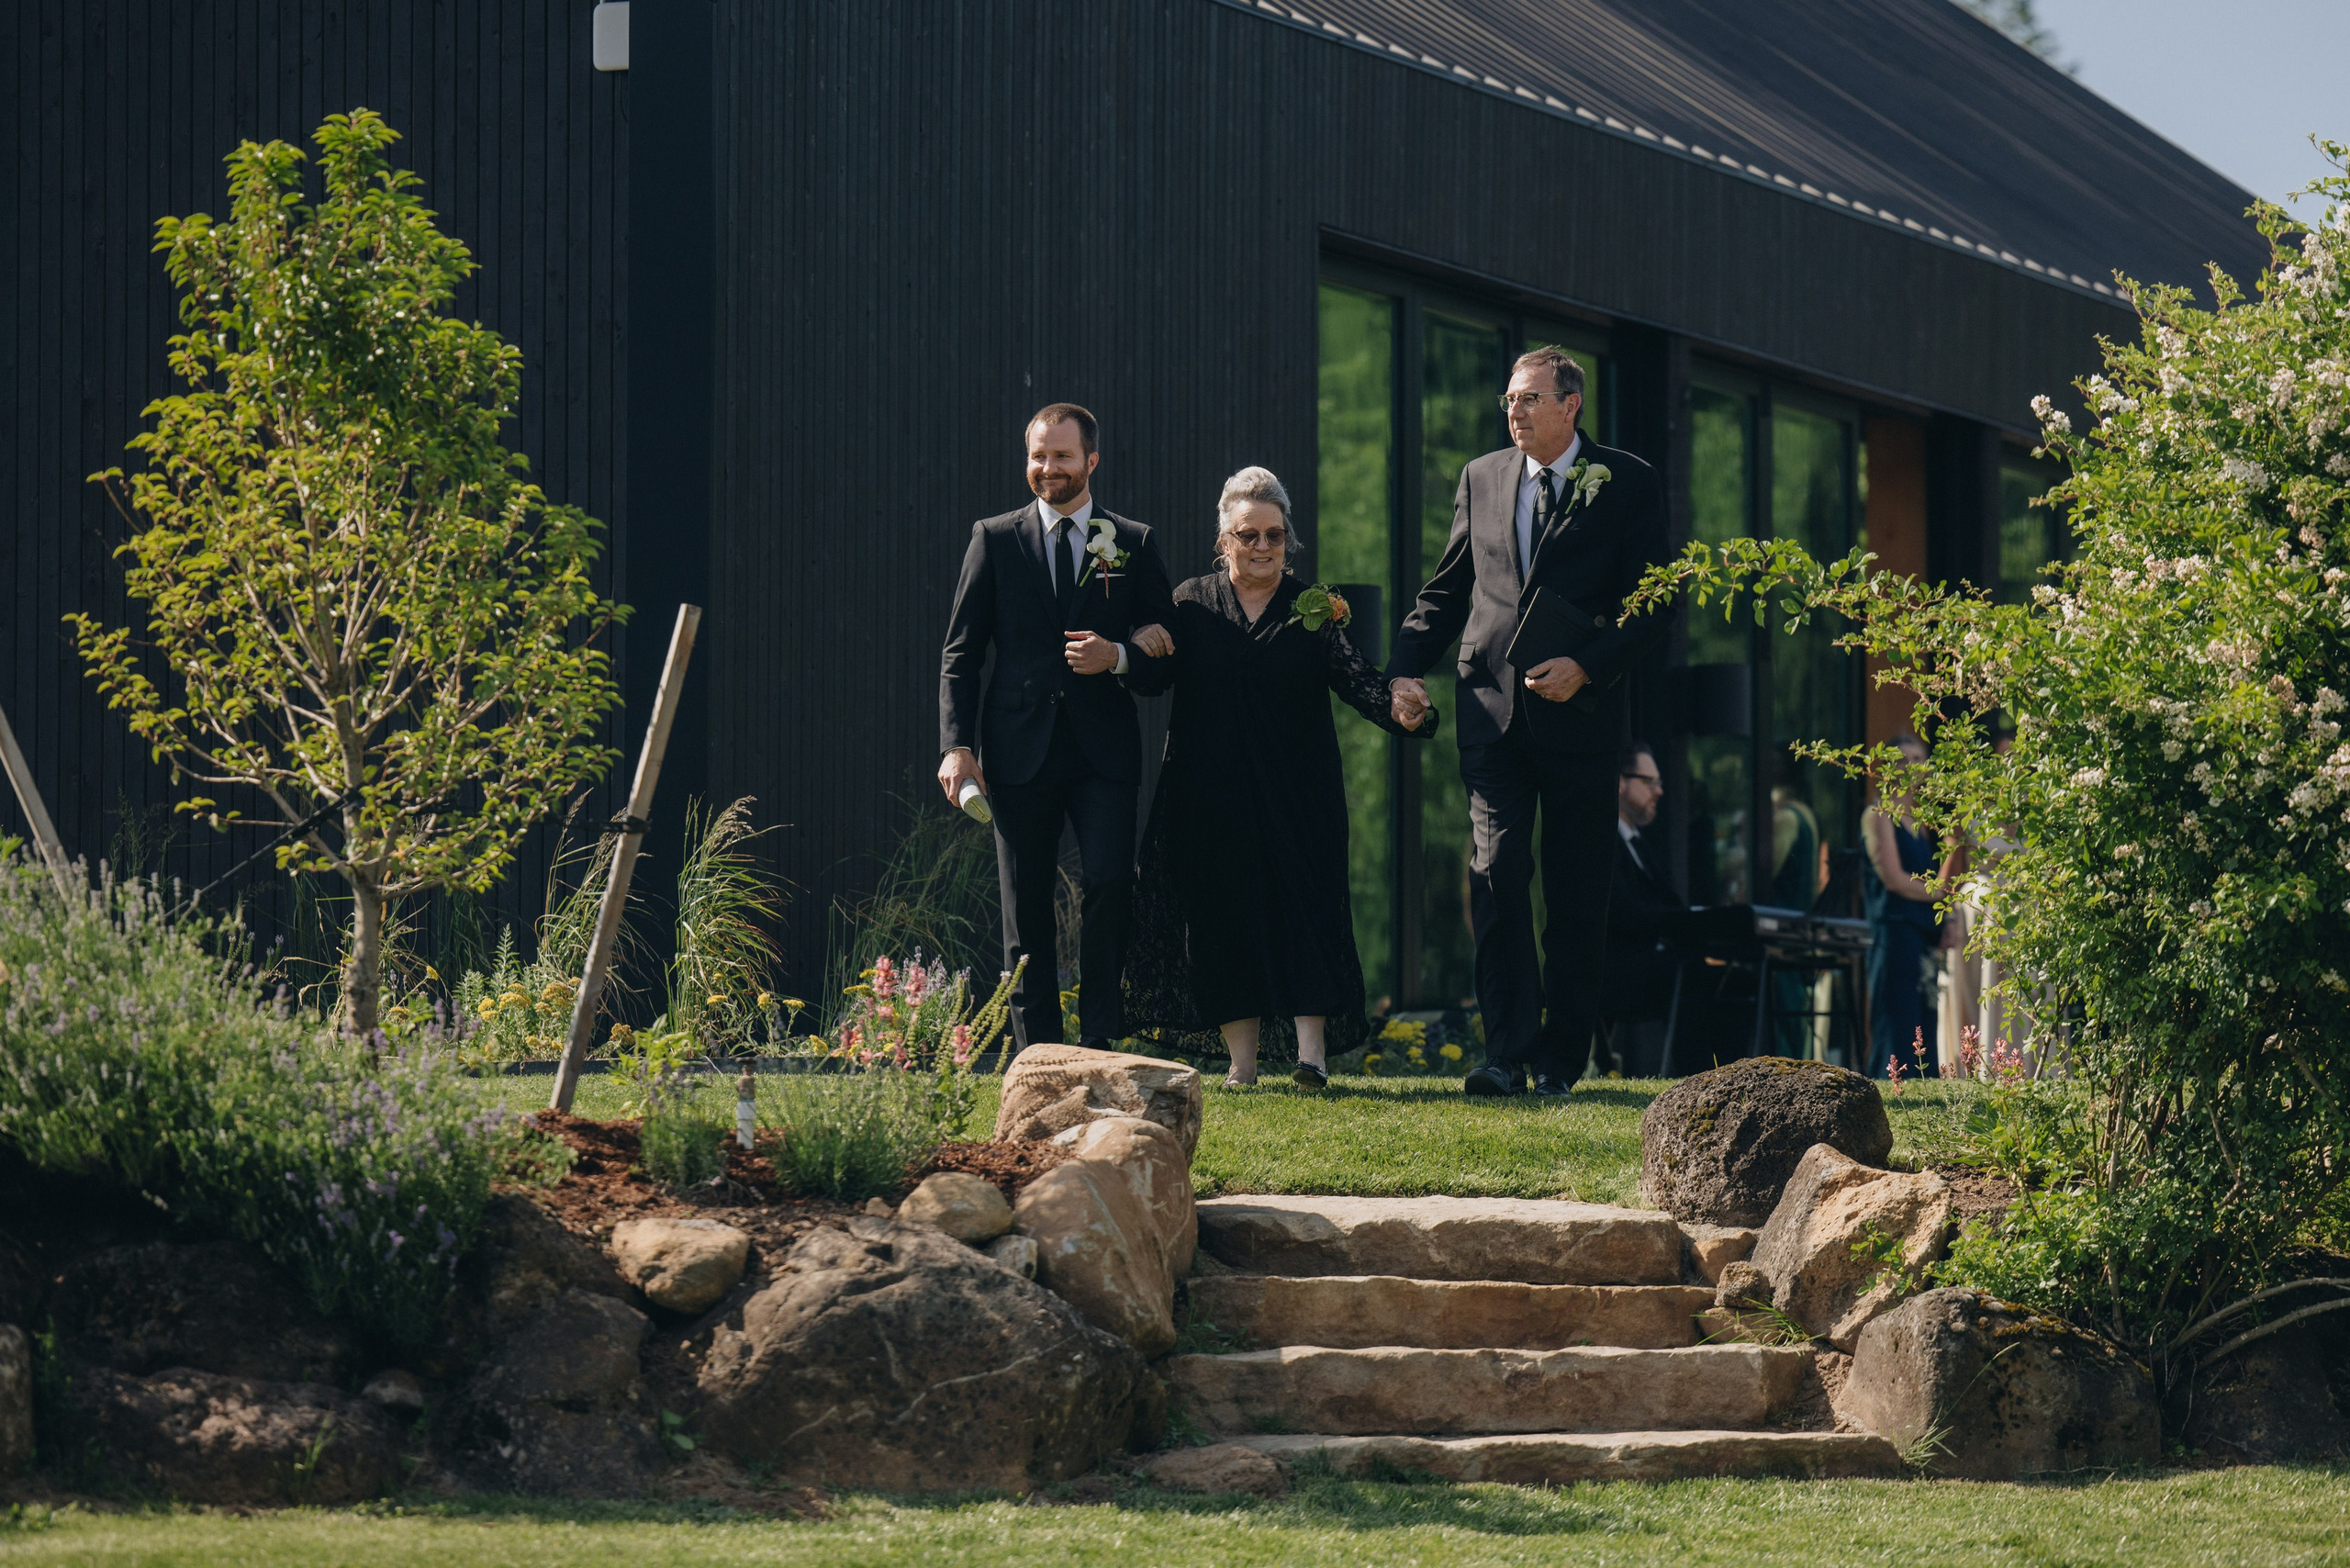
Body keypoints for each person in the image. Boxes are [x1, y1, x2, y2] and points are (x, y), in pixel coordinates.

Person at [1388, 347, 1672, 1097]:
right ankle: (1504, 1053)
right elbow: (1449, 589)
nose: (1513, 411)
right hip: (1490, 713)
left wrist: (1589, 665)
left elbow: (1652, 605)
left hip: (1578, 718)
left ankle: (1559, 1059)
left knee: (1578, 895)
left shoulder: (1629, 481)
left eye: (1529, 399)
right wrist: (1402, 666)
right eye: (1509, 399)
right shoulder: (1481, 478)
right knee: (1496, 873)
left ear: (1570, 405)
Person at [1124, 467, 1434, 1087]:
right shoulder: (1189, 603)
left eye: (1273, 535)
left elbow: (1360, 683)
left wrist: (1402, 706)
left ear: (1288, 540)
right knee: (1221, 919)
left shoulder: (1314, 608)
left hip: (1300, 794)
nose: (1262, 546)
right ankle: (1242, 1065)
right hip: (1208, 796)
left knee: (1306, 909)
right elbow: (1150, 678)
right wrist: (1139, 639)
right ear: (1224, 540)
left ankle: (1310, 1057)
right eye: (1248, 535)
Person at [937, 403, 1175, 1051]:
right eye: (1038, 456)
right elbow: (961, 651)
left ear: (1091, 461)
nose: (1048, 469)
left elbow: (1164, 658)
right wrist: (957, 745)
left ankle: (1099, 1043)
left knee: (1108, 884)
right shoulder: (994, 537)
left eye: (1062, 457)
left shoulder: (1132, 542)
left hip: (1103, 753)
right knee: (1027, 906)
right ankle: (1036, 1051)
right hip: (1017, 753)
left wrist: (1120, 656)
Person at [1595, 741, 1681, 1078]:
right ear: (1619, 782)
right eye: (1650, 782)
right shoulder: (1602, 841)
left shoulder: (1637, 842)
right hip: (1618, 972)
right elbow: (1622, 913)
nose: (1659, 791)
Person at [1863, 732, 1943, 1079]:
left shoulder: (1924, 824)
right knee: (1896, 1021)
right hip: (1894, 933)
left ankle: (1925, 1097)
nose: (1912, 768)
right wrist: (1940, 894)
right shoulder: (1878, 815)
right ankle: (1885, 1092)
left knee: (1924, 1021)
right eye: (1904, 760)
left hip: (1924, 933)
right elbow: (1894, 878)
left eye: (1918, 760)